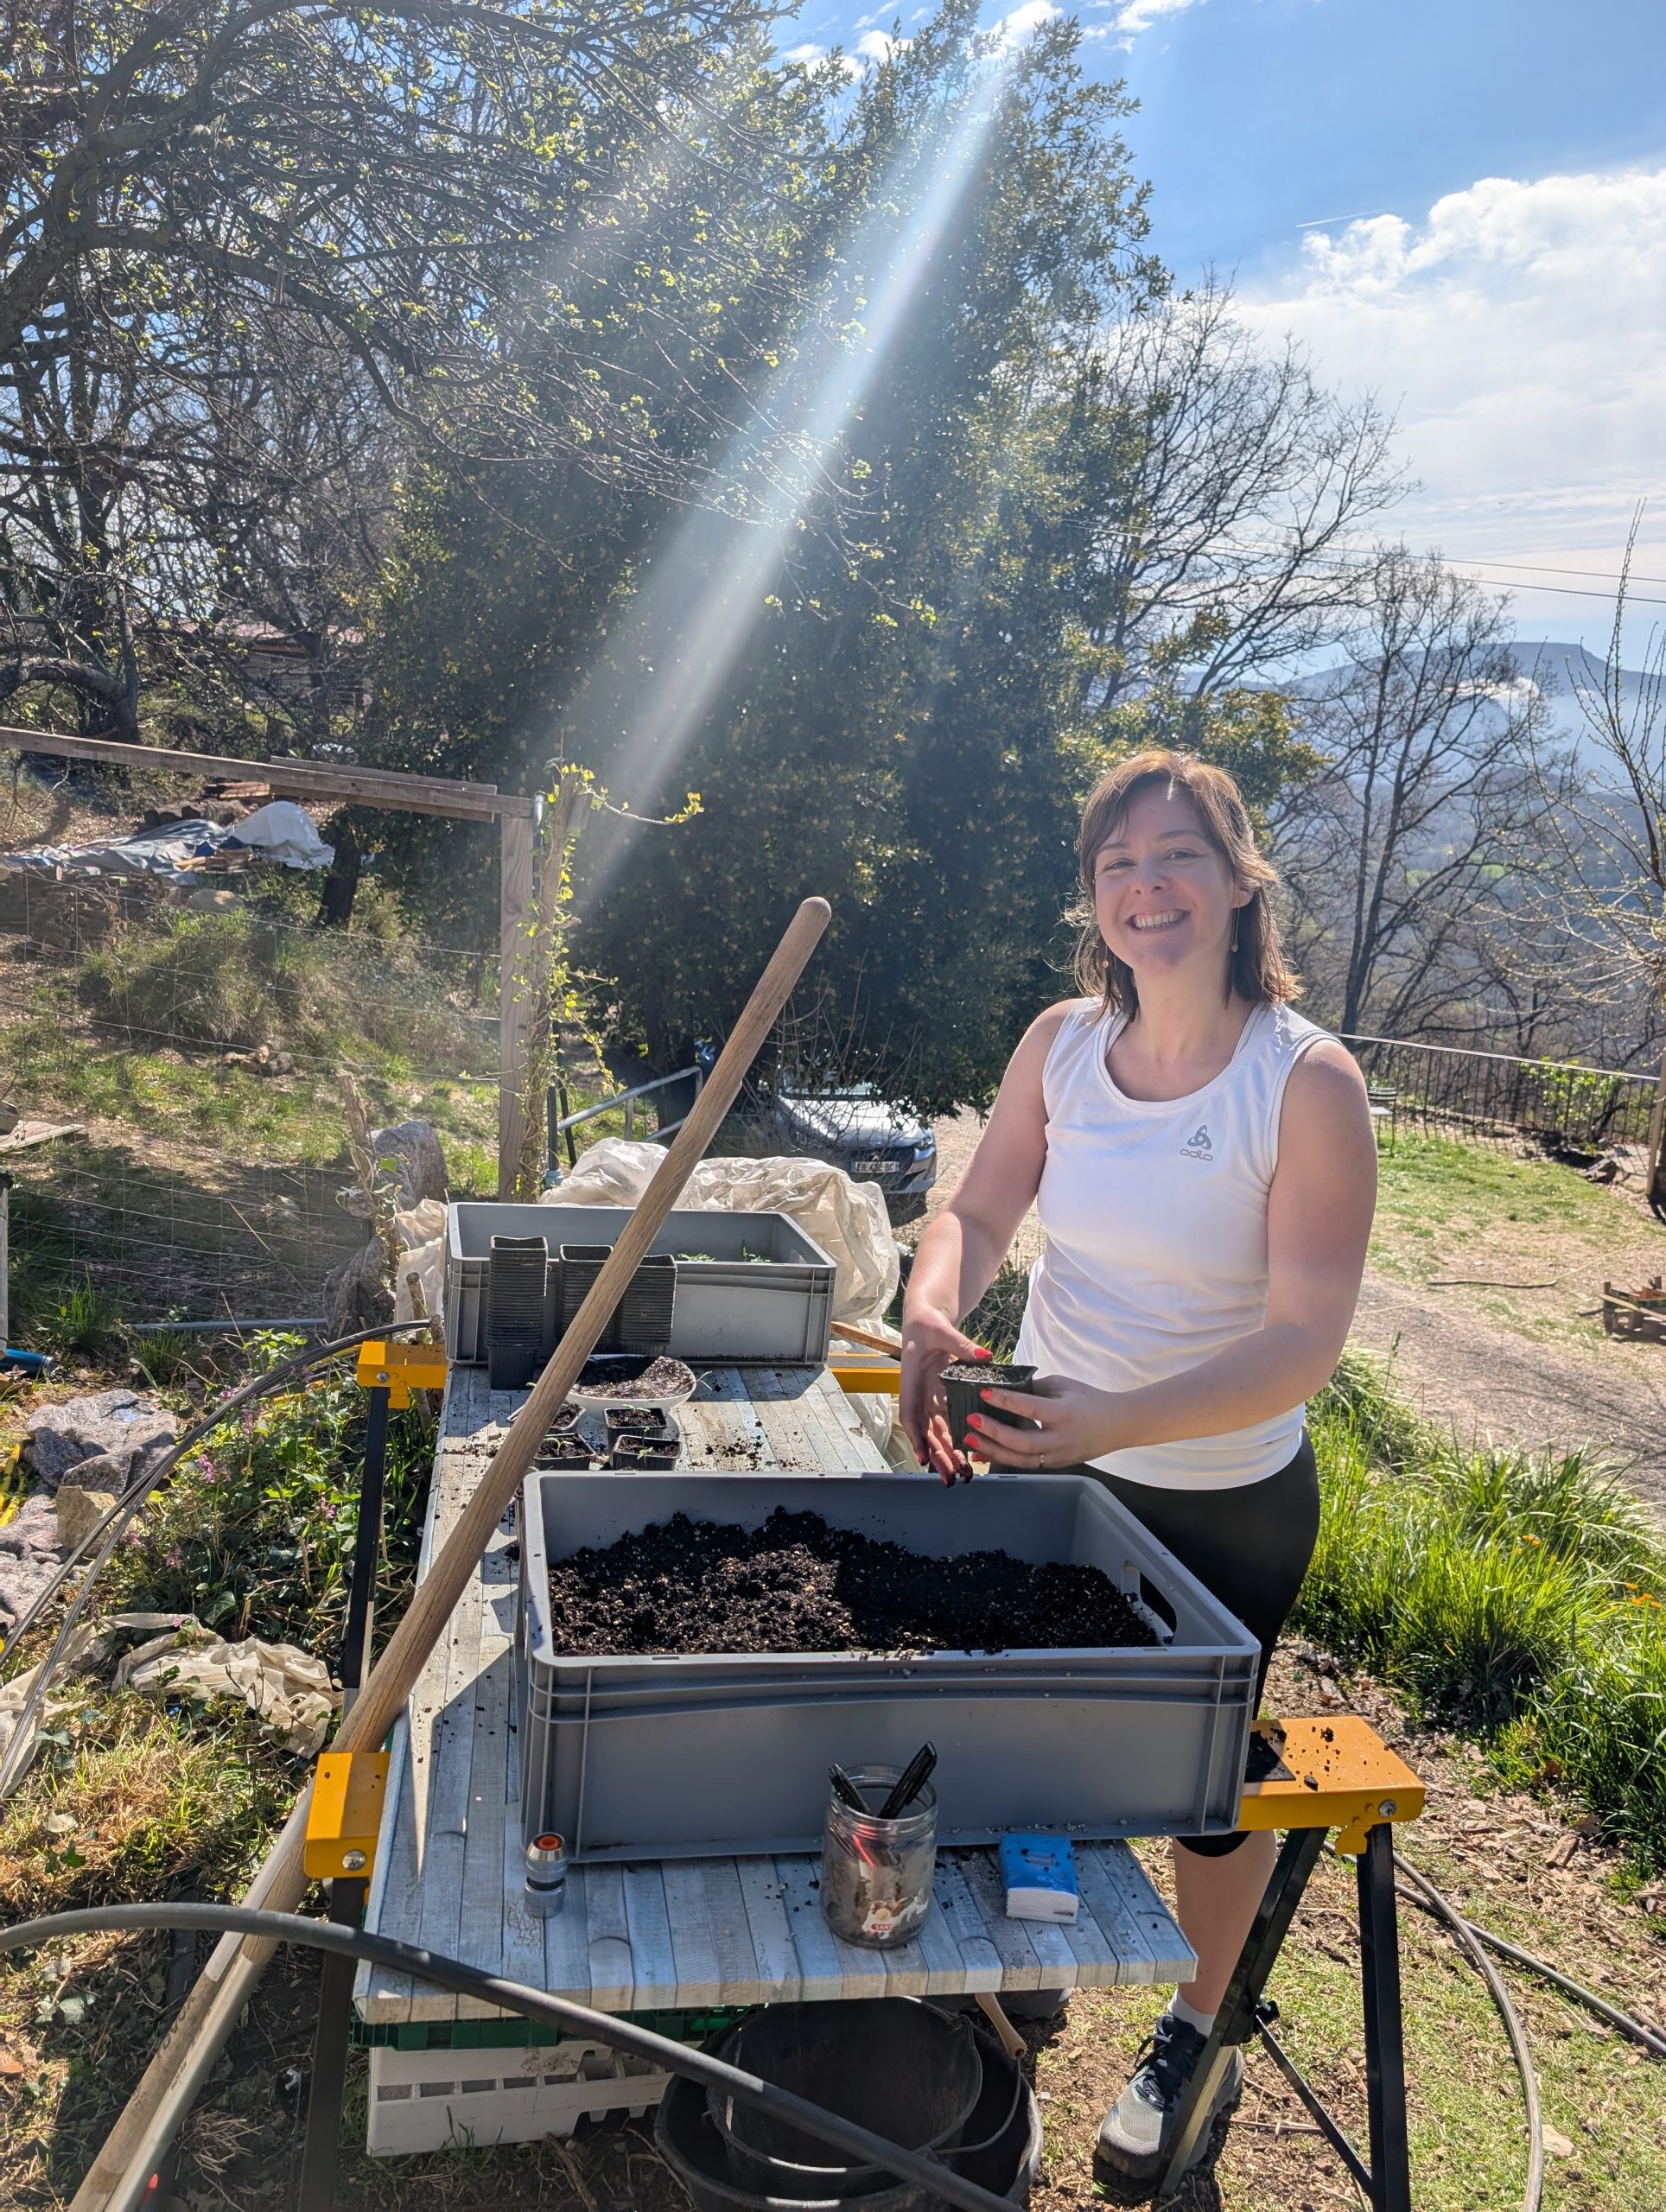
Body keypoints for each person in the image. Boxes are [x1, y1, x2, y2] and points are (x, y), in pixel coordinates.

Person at [899, 748, 1376, 2190]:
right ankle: (1018, 1982)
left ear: (1238, 885)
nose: (1146, 886)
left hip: (1222, 1498)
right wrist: (931, 1308)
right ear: (1093, 898)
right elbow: (980, 1210)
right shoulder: (1060, 1046)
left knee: (1200, 1780)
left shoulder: (1305, 1082)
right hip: (1053, 1463)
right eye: (1118, 864)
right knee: (1015, 1725)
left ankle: (1195, 2027)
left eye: (1178, 857)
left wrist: (1116, 1421)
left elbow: (1302, 1344)